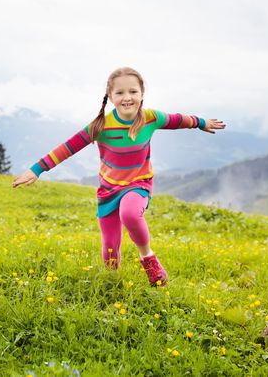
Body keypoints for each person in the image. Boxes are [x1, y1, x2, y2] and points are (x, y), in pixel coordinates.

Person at [12, 67, 226, 286]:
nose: (127, 97)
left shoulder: (151, 118)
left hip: (138, 184)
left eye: (133, 91)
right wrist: (36, 169)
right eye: (120, 93)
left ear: (142, 94)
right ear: (111, 97)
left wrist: (201, 123)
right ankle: (112, 284)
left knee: (131, 214)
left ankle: (148, 259)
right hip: (108, 190)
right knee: (110, 248)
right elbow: (68, 147)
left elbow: (178, 119)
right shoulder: (101, 126)